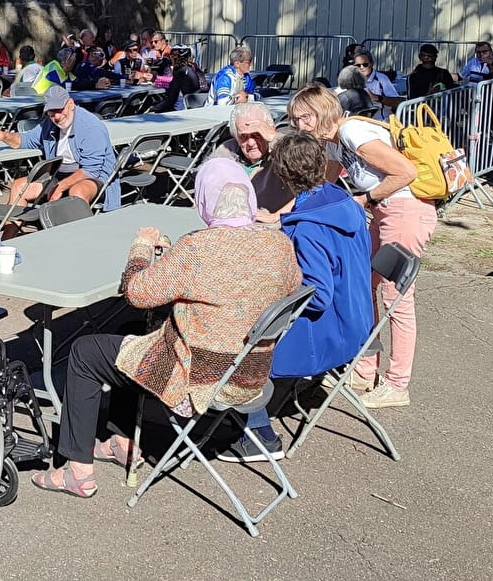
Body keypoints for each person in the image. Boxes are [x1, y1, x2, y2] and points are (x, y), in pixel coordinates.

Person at [30, 159, 298, 497]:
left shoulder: (198, 248)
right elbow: (273, 284)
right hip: (248, 372)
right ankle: (123, 440)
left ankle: (77, 471)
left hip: (197, 377)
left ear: (204, 199)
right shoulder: (279, 245)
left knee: (85, 352)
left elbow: (136, 291)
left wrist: (141, 248)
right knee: (130, 331)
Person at [222, 131, 374, 462]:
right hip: (359, 316)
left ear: (281, 174)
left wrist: (270, 287)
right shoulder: (340, 200)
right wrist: (281, 223)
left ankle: (259, 435)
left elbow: (316, 296)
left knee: (237, 337)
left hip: (328, 331)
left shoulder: (308, 231)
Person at [288, 84, 436, 409]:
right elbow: (323, 184)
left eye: (303, 119)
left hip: (406, 209)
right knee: (363, 285)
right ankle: (365, 370)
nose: (299, 126)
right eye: (295, 120)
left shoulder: (353, 130)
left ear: (319, 113)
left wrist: (365, 198)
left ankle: (398, 384)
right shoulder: (333, 142)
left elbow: (405, 172)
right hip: (383, 211)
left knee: (395, 297)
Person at [0, 86, 119, 212]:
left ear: (71, 104)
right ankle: (8, 235)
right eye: (51, 112)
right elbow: (28, 139)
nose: (56, 116)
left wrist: (60, 187)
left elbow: (91, 170)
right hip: (58, 175)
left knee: (77, 192)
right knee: (18, 186)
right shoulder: (49, 123)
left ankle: (77, 232)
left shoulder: (91, 127)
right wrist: (5, 135)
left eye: (60, 110)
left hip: (94, 177)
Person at [210, 102, 293, 217]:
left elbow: (307, 168)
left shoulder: (285, 151)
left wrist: (275, 138)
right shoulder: (225, 152)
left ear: (270, 130)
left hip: (274, 224)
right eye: (243, 136)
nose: (251, 143)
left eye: (257, 134)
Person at [352, 48, 402, 119]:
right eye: (358, 65)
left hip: (380, 122)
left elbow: (397, 101)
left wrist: (376, 97)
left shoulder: (381, 79)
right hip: (358, 121)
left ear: (371, 64)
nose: (361, 67)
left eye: (365, 64)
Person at [158, 46, 202, 111]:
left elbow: (171, 100)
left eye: (172, 56)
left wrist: (153, 109)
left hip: (183, 109)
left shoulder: (181, 72)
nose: (171, 59)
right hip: (198, 105)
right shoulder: (195, 68)